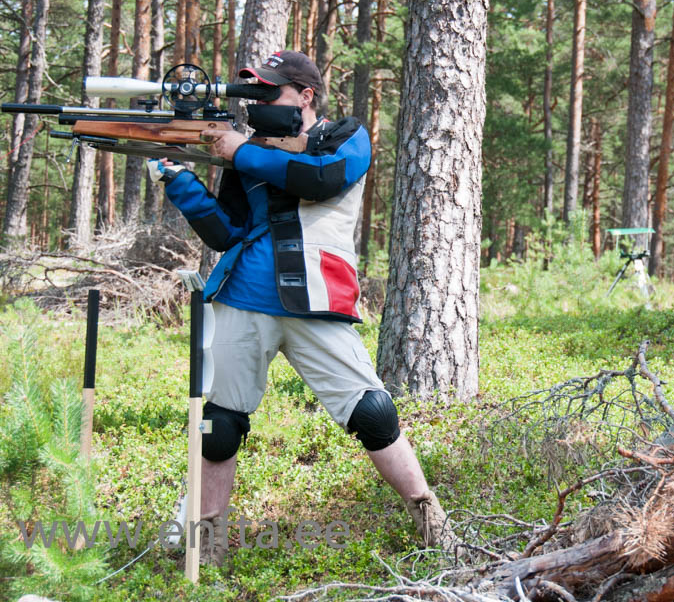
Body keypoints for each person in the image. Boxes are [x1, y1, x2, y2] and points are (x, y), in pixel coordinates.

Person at [150, 50, 454, 558]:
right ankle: (204, 546)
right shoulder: (247, 152)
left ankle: (435, 526)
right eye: (254, 93)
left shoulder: (344, 137)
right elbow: (227, 231)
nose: (258, 102)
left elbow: (321, 178)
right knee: (220, 425)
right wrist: (182, 184)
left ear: (306, 95)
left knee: (375, 413)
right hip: (243, 296)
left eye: (269, 92)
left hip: (318, 300)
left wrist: (238, 151)